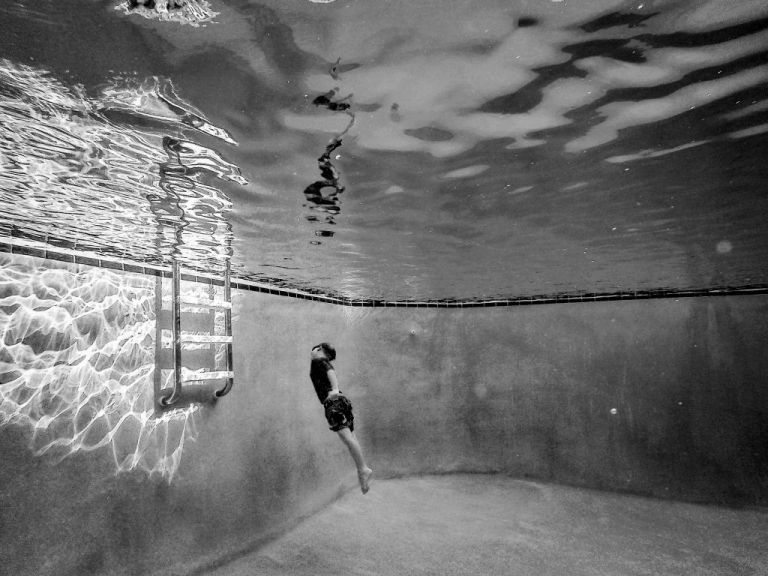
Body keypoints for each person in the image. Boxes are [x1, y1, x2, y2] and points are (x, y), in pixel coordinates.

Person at [310, 343, 372, 494]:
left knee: (347, 438)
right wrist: (336, 390)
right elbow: (329, 371)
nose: (311, 352)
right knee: (351, 438)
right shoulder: (323, 361)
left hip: (333, 404)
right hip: (341, 402)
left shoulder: (318, 360)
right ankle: (361, 473)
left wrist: (335, 389)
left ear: (319, 350)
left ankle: (363, 469)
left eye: (313, 349)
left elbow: (330, 371)